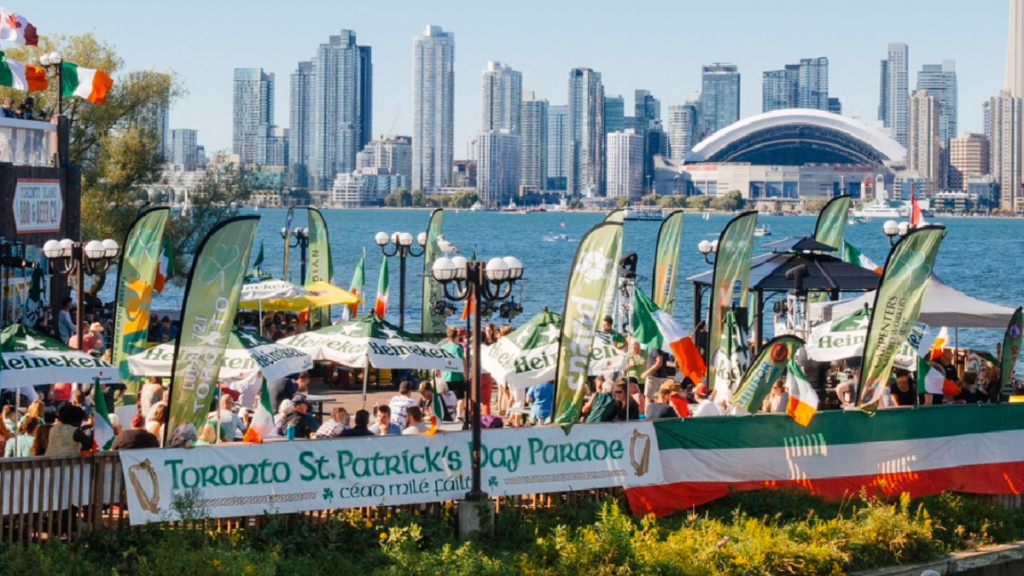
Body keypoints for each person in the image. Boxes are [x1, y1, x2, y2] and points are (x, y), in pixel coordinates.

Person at [437, 326, 466, 419]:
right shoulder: (457, 347)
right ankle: (458, 415)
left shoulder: (443, 347)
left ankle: (446, 413)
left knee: (445, 396)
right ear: (456, 336)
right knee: (460, 397)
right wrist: (464, 374)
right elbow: (460, 361)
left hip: (445, 375)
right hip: (456, 376)